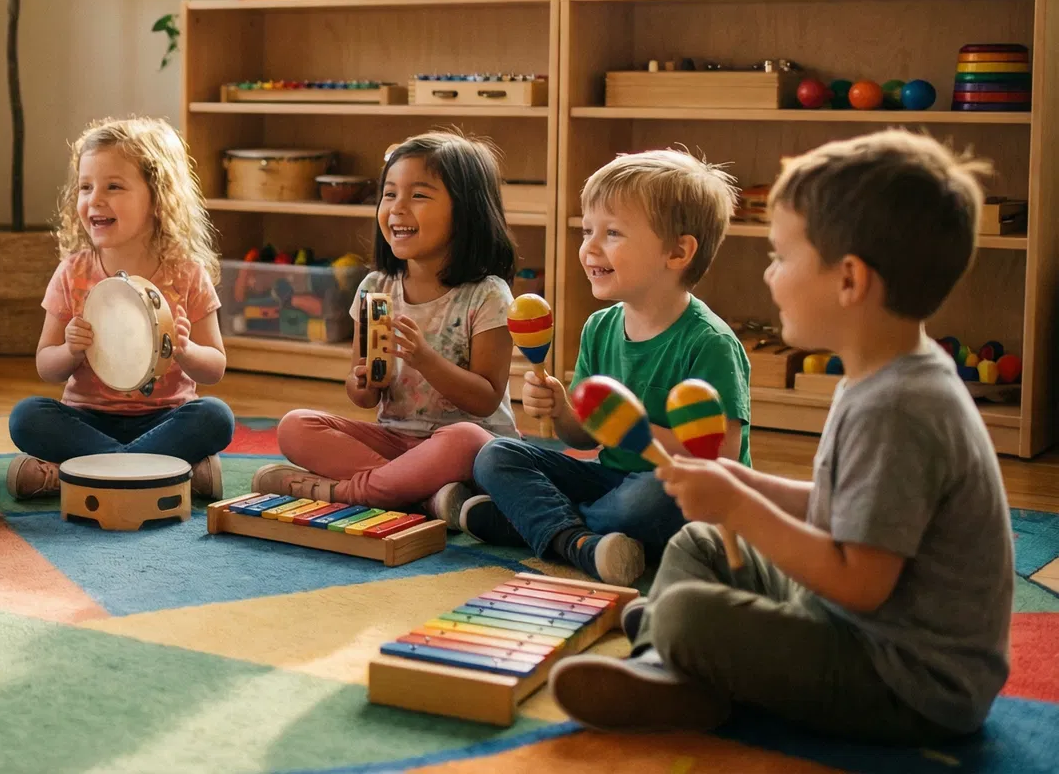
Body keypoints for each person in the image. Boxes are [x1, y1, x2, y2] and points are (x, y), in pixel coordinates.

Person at [551, 130, 1013, 744]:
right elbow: (835, 509)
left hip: (907, 679)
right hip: (848, 622)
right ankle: (669, 662)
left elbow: (860, 583)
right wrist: (741, 483)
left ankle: (673, 645)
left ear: (849, 281)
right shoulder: (881, 373)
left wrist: (741, 506)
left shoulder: (900, 408)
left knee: (693, 611)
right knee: (701, 540)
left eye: (781, 256)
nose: (769, 277)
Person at [464, 150, 750, 585]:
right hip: (612, 480)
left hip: (686, 492)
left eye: (613, 232)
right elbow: (580, 436)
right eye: (587, 230)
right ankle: (582, 543)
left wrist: (633, 430)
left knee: (647, 500)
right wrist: (562, 410)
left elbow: (722, 459)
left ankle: (536, 525)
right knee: (496, 454)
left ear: (677, 251)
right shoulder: (600, 327)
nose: (590, 247)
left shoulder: (709, 343)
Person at [252, 132, 519, 523]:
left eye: (419, 195)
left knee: (467, 441)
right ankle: (419, 494)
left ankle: (346, 492)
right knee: (295, 426)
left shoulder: (488, 295)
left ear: (467, 212)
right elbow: (362, 397)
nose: (397, 208)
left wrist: (425, 359)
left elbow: (486, 400)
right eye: (390, 194)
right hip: (395, 441)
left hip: (467, 445)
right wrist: (363, 383)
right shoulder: (375, 289)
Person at [6, 117, 234, 500]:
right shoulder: (72, 272)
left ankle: (77, 474)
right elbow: (46, 365)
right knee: (27, 417)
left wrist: (186, 350)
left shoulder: (187, 273)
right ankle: (163, 472)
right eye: (85, 187)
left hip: (167, 417)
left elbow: (215, 367)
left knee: (215, 417)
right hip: (86, 419)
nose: (94, 199)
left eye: (113, 186)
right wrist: (70, 350)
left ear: (158, 198)